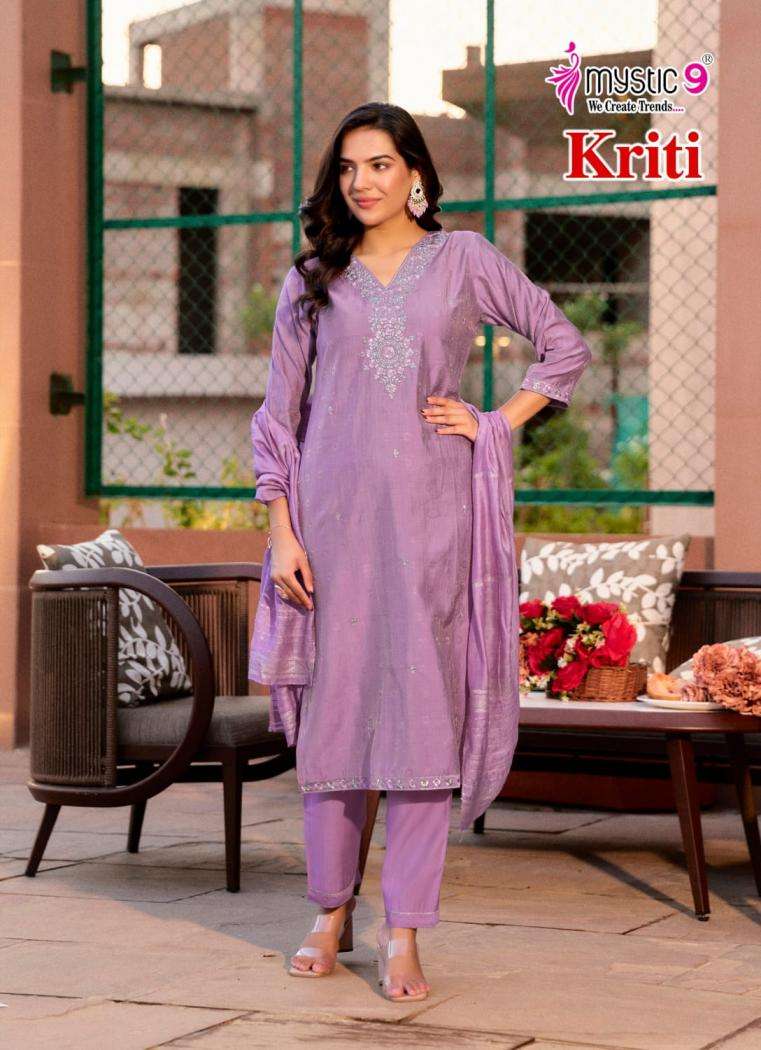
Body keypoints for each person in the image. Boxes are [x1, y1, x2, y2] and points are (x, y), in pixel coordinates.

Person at [249, 102, 592, 1002]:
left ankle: (402, 927)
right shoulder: (312, 279)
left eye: (378, 164)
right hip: (329, 523)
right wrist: (281, 529)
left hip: (433, 519)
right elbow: (278, 415)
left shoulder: (463, 259)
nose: (360, 181)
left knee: (419, 717)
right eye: (347, 167)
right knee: (335, 713)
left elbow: (561, 345)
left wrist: (494, 423)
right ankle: (330, 910)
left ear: (414, 176)